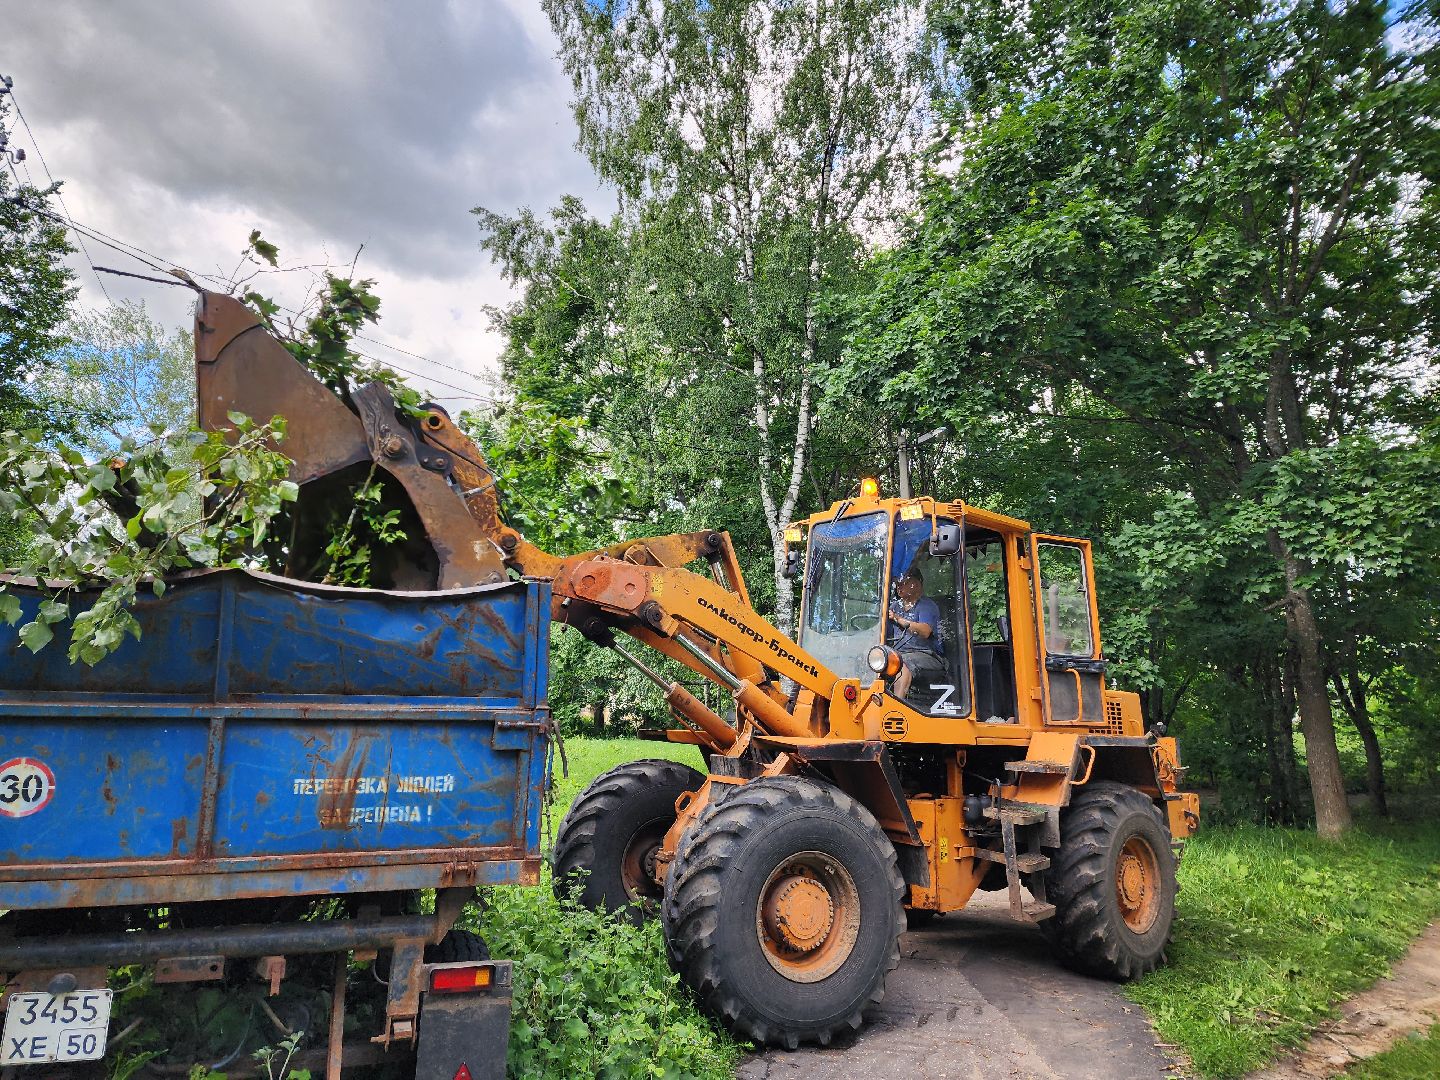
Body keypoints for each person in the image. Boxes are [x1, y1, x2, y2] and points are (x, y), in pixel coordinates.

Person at [888, 567, 945, 701]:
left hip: (927, 654)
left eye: (904, 582)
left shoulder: (926, 606)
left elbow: (925, 631)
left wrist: (897, 618)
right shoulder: (894, 606)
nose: (899, 586)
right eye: (897, 583)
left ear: (917, 584)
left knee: (903, 663)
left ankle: (896, 708)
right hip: (898, 653)